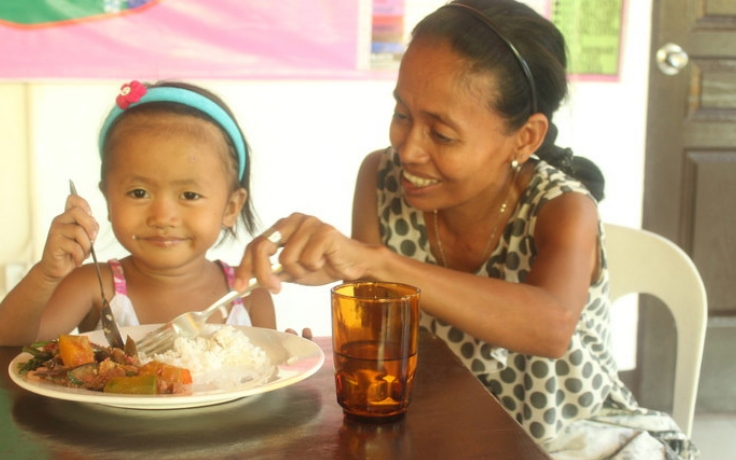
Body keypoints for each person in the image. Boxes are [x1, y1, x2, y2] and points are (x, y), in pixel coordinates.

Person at [235, 1, 698, 458]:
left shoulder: (563, 207)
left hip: (569, 437)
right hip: (441, 428)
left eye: (442, 134)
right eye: (402, 114)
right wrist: (320, 302)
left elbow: (550, 325)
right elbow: (379, 325)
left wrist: (379, 262)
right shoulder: (380, 177)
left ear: (526, 137)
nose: (409, 149)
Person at [0, 80, 276, 347]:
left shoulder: (248, 295)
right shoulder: (94, 286)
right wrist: (46, 275)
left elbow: (270, 380)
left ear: (231, 207)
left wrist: (297, 360)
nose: (162, 217)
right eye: (139, 193)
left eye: (189, 195)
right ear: (107, 198)